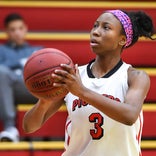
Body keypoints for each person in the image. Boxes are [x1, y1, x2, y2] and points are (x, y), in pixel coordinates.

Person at [23, 10, 155, 155]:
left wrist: (81, 91)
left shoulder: (135, 77)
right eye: (95, 26)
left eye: (106, 27)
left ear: (122, 40)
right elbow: (29, 126)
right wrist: (44, 100)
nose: (96, 32)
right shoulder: (73, 76)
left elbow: (129, 116)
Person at [0, 13, 42, 142]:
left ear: (26, 29)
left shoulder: (37, 50)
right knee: (1, 72)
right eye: (13, 30)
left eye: (20, 28)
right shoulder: (1, 50)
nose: (17, 33)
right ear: (7, 32)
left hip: (37, 88)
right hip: (11, 88)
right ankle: (10, 128)